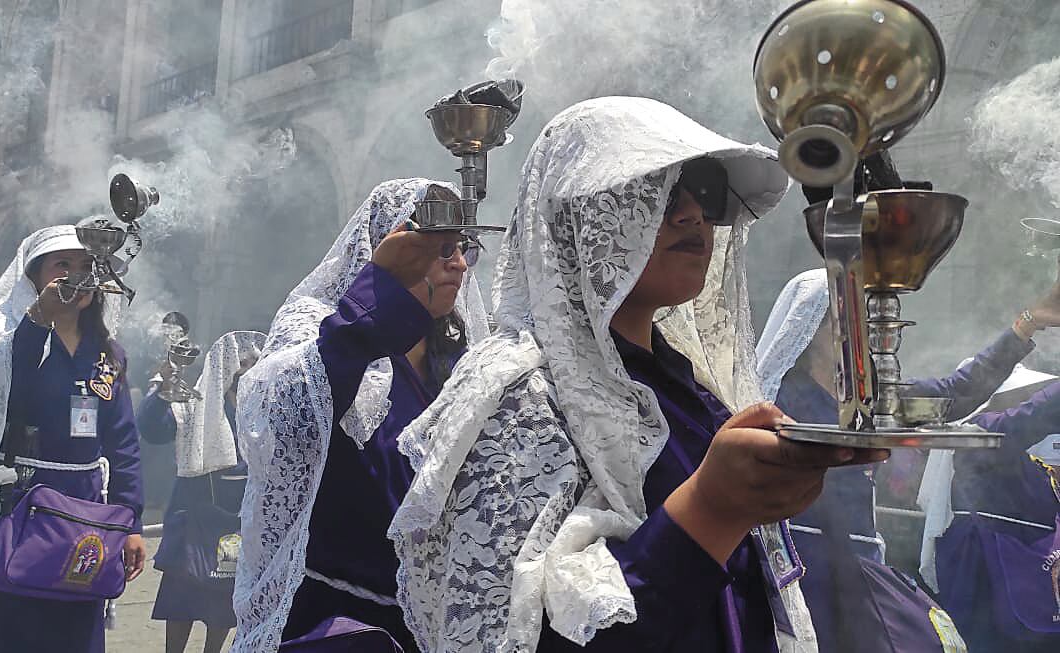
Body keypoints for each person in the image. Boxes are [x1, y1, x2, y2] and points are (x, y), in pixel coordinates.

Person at [386, 96, 884, 652]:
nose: (692, 214)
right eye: (658, 190)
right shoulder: (518, 394)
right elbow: (517, 638)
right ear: (577, 215)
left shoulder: (690, 387)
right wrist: (711, 509)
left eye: (705, 190)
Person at [231, 179, 490, 652]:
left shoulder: (462, 360)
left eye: (464, 247)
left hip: (433, 627)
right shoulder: (319, 328)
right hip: (335, 623)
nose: (458, 263)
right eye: (440, 248)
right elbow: (279, 420)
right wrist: (374, 298)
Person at [753, 268, 1053, 651]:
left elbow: (956, 395)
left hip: (860, 567)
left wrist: (1027, 325)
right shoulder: (779, 400)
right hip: (799, 567)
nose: (862, 331)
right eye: (846, 319)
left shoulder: (872, 401)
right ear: (812, 329)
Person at [0, 224, 146, 653]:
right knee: (1, 620)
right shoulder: (4, 337)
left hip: (84, 506)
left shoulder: (108, 353)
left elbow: (124, 444)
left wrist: (130, 521)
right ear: (34, 277)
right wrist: (38, 321)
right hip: (17, 498)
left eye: (87, 265)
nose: (76, 274)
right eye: (62, 264)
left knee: (69, 626)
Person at [137, 330, 266, 653]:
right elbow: (153, 429)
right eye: (242, 362)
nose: (248, 368)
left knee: (223, 600)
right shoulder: (195, 405)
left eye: (254, 361)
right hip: (193, 514)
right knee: (182, 597)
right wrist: (162, 390)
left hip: (237, 519)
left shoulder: (262, 408)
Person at [919, 367, 1060, 652]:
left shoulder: (1037, 463)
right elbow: (1023, 422)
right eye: (1022, 397)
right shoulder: (982, 438)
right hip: (994, 607)